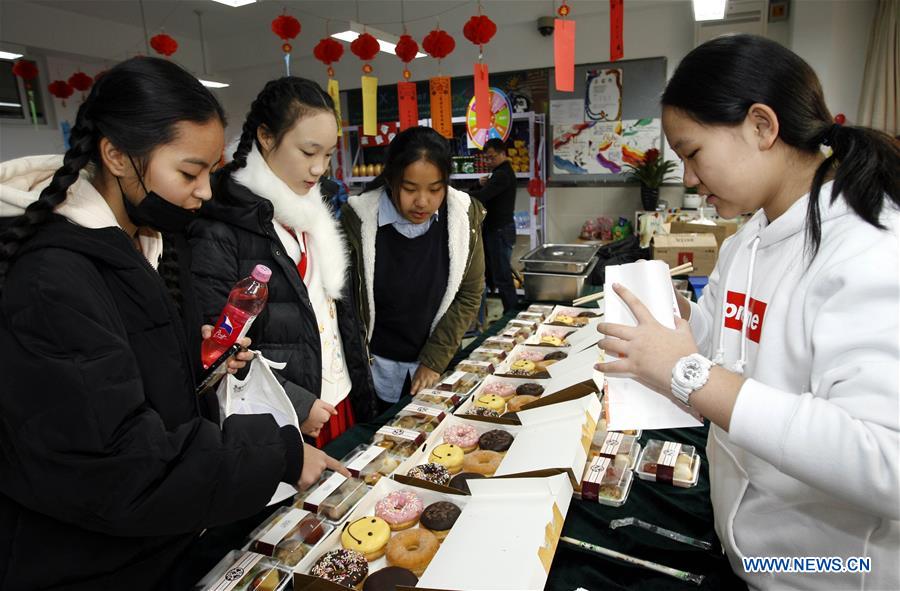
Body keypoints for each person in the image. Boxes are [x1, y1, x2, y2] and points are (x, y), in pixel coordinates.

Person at [0, 58, 344, 591]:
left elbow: (141, 383)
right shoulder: (52, 280)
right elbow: (119, 462)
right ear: (116, 154)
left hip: (168, 541)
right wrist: (277, 452)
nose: (205, 191)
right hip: (96, 565)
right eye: (189, 172)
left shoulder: (151, 240)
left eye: (211, 170)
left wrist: (199, 364)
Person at [597, 35, 899, 590]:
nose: (688, 178)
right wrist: (671, 324)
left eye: (692, 153)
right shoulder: (748, 240)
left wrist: (686, 373)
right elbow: (715, 348)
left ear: (762, 126)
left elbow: (887, 462)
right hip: (748, 552)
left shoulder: (871, 250)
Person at [189, 76, 377, 448]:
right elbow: (218, 347)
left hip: (338, 399)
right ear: (266, 137)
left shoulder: (315, 214)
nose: (319, 168)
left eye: (327, 154)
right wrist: (299, 402)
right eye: (308, 153)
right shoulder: (220, 227)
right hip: (284, 414)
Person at [342, 126, 485, 408]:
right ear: (390, 179)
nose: (422, 201)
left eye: (435, 189)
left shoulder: (462, 219)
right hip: (373, 371)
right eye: (409, 189)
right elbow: (345, 305)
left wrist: (434, 360)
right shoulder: (358, 221)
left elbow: (468, 294)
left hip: (436, 367)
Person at [468, 137, 518, 312]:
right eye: (486, 158)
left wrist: (465, 192)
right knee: (498, 274)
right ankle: (509, 311)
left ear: (503, 154)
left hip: (500, 230)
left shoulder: (502, 175)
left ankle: (511, 313)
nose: (489, 161)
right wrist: (478, 184)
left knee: (502, 276)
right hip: (497, 230)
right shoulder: (498, 173)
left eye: (492, 157)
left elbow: (482, 197)